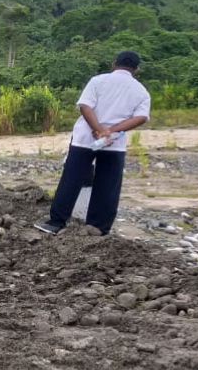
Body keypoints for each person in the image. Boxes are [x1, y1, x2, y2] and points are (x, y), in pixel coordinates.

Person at [35, 51, 151, 236]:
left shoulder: (98, 81)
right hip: (113, 144)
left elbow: (85, 106)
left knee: (71, 180)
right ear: (136, 70)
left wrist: (97, 129)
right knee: (108, 185)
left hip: (85, 140)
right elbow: (141, 117)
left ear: (114, 64)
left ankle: (55, 223)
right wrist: (110, 132)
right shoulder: (140, 91)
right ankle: (98, 228)